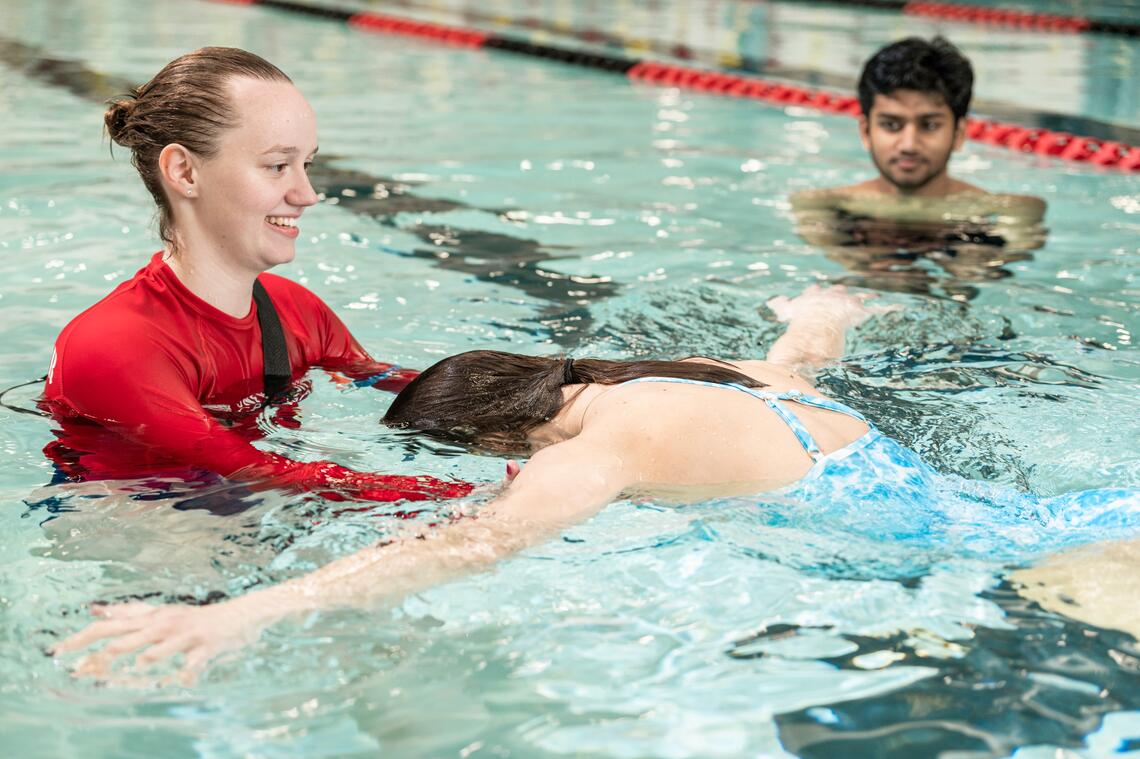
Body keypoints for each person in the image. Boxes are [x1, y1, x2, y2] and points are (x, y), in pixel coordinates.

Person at [51, 286, 1138, 681]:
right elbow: (806, 352)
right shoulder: (705, 376)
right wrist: (818, 308)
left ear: (495, 446)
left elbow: (466, 547)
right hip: (1056, 522)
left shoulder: (604, 447)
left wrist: (246, 613)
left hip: (1052, 565)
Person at [39, 47, 468, 503]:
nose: (307, 194)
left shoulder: (295, 311)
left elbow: (409, 387)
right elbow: (259, 473)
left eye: (308, 165)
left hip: (262, 509)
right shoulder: (114, 344)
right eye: (277, 166)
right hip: (145, 527)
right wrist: (477, 496)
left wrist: (545, 398)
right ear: (184, 172)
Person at [789, 37, 1046, 299]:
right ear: (866, 131)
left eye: (929, 125)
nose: (909, 144)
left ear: (958, 133)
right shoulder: (821, 205)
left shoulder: (1006, 211)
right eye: (891, 125)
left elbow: (1000, 280)